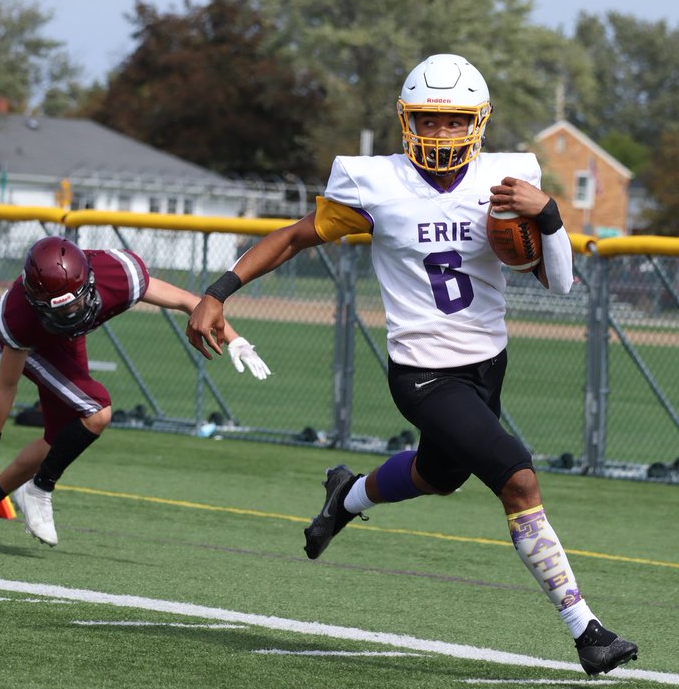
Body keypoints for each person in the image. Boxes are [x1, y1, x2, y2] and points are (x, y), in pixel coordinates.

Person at [186, 54, 637, 675]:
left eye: (454, 122)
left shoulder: (508, 182)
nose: (440, 134)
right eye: (428, 120)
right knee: (518, 480)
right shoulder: (375, 184)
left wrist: (549, 215)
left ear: (477, 124)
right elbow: (293, 237)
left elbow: (560, 284)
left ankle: (344, 498)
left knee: (438, 475)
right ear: (406, 121)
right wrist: (217, 291)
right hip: (422, 372)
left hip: (487, 363)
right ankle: (586, 630)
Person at [0, 235, 271, 550]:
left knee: (59, 439)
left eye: (77, 301)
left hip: (68, 340)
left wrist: (237, 339)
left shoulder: (120, 273)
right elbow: (6, 386)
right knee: (97, 411)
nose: (74, 312)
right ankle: (39, 489)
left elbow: (190, 302)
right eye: (63, 308)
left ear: (90, 280)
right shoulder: (18, 315)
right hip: (39, 345)